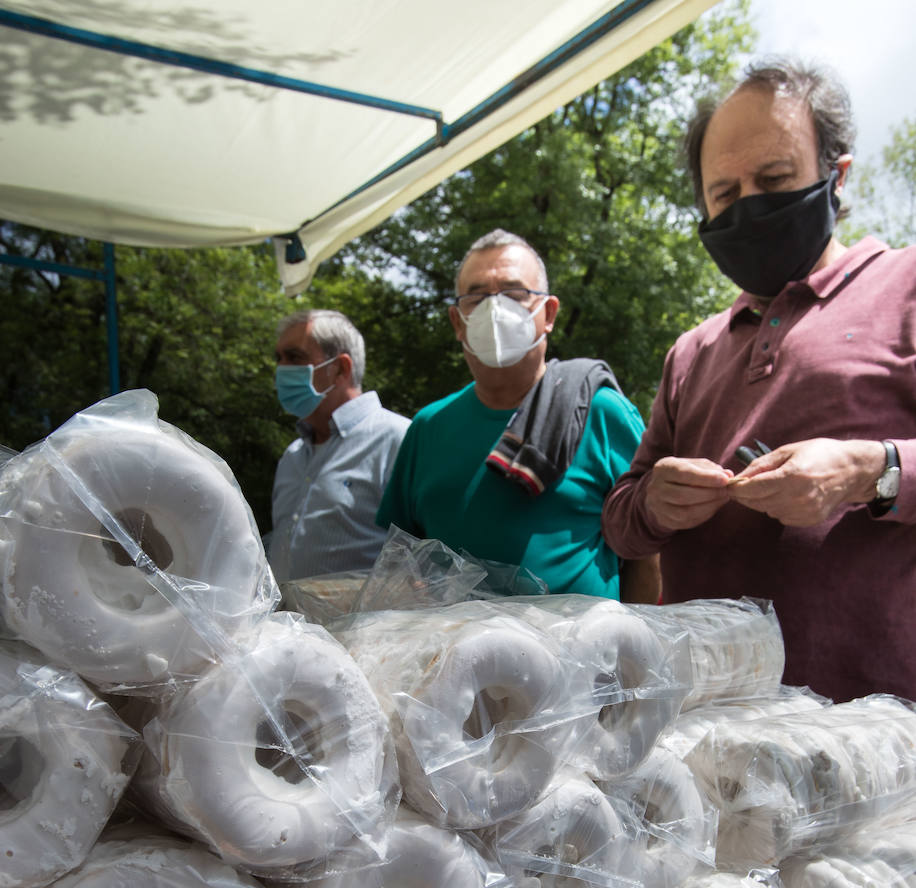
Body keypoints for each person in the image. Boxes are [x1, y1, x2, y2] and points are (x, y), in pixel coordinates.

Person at [601, 57, 916, 703]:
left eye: (774, 180)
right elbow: (622, 525)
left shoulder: (905, 287)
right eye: (724, 194)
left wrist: (870, 469)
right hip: (705, 738)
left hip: (876, 743)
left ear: (837, 175)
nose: (750, 209)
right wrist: (654, 504)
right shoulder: (691, 351)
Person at [376, 229, 660, 602]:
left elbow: (647, 552)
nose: (495, 311)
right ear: (457, 322)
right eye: (477, 297)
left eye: (514, 294)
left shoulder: (602, 414)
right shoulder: (428, 427)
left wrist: (633, 653)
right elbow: (403, 558)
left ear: (549, 314)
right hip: (454, 654)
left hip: (584, 658)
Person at [269, 308, 409, 581]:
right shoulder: (292, 456)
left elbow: (424, 564)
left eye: (295, 357)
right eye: (279, 358)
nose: (281, 369)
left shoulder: (398, 439)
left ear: (341, 368)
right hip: (285, 623)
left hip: (367, 624)